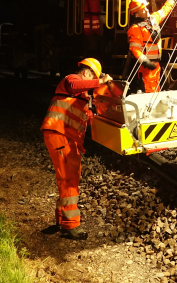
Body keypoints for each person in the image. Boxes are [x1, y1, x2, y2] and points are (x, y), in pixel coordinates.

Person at [40, 58, 112, 240]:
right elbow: (74, 85)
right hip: (59, 133)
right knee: (68, 179)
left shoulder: (81, 97)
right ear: (87, 73)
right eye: (93, 79)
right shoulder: (71, 80)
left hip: (66, 137)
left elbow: (82, 117)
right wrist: (100, 82)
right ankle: (71, 225)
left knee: (69, 177)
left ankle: (61, 220)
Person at [127, 0, 177, 93]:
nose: (146, 10)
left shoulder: (153, 19)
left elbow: (164, 10)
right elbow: (135, 49)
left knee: (156, 89)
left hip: (156, 66)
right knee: (148, 91)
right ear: (137, 14)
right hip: (145, 68)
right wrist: (146, 62)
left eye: (146, 8)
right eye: (143, 9)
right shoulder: (135, 29)